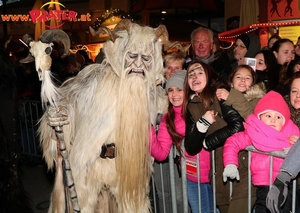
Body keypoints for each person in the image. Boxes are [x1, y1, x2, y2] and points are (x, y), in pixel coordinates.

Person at [223, 91, 300, 213]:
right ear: (259, 117)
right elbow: (233, 142)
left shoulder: (291, 136)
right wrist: (230, 164)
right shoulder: (254, 133)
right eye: (268, 116)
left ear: (284, 122)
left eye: (278, 117)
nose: (273, 120)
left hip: (285, 186)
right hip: (263, 186)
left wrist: (294, 147)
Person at [183, 60, 245, 213]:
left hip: (240, 166)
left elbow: (238, 125)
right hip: (219, 171)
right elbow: (190, 147)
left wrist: (208, 143)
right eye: (191, 74)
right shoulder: (192, 105)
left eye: (199, 72)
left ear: (209, 76)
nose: (194, 76)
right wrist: (202, 123)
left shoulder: (220, 93)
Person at [151, 70, 211, 213]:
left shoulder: (201, 107)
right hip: (192, 177)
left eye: (179, 89)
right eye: (170, 90)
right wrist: (148, 129)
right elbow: (161, 154)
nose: (174, 94)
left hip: (215, 175)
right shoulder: (168, 118)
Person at [215, 65, 265, 212]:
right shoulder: (220, 101)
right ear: (230, 82)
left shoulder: (259, 101)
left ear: (253, 83)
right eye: (238, 77)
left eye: (247, 77)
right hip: (222, 167)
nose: (243, 80)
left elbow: (252, 118)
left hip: (247, 169)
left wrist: (231, 97)